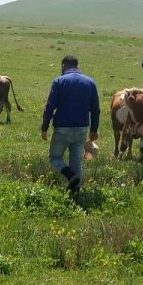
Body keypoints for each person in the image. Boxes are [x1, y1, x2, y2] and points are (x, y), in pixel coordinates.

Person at [40, 55, 100, 195]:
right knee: (76, 161)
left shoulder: (59, 81)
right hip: (81, 129)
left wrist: (44, 127)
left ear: (63, 66)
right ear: (78, 66)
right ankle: (75, 192)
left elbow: (50, 107)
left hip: (62, 128)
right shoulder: (90, 82)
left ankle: (69, 176)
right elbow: (95, 110)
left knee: (55, 158)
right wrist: (94, 130)